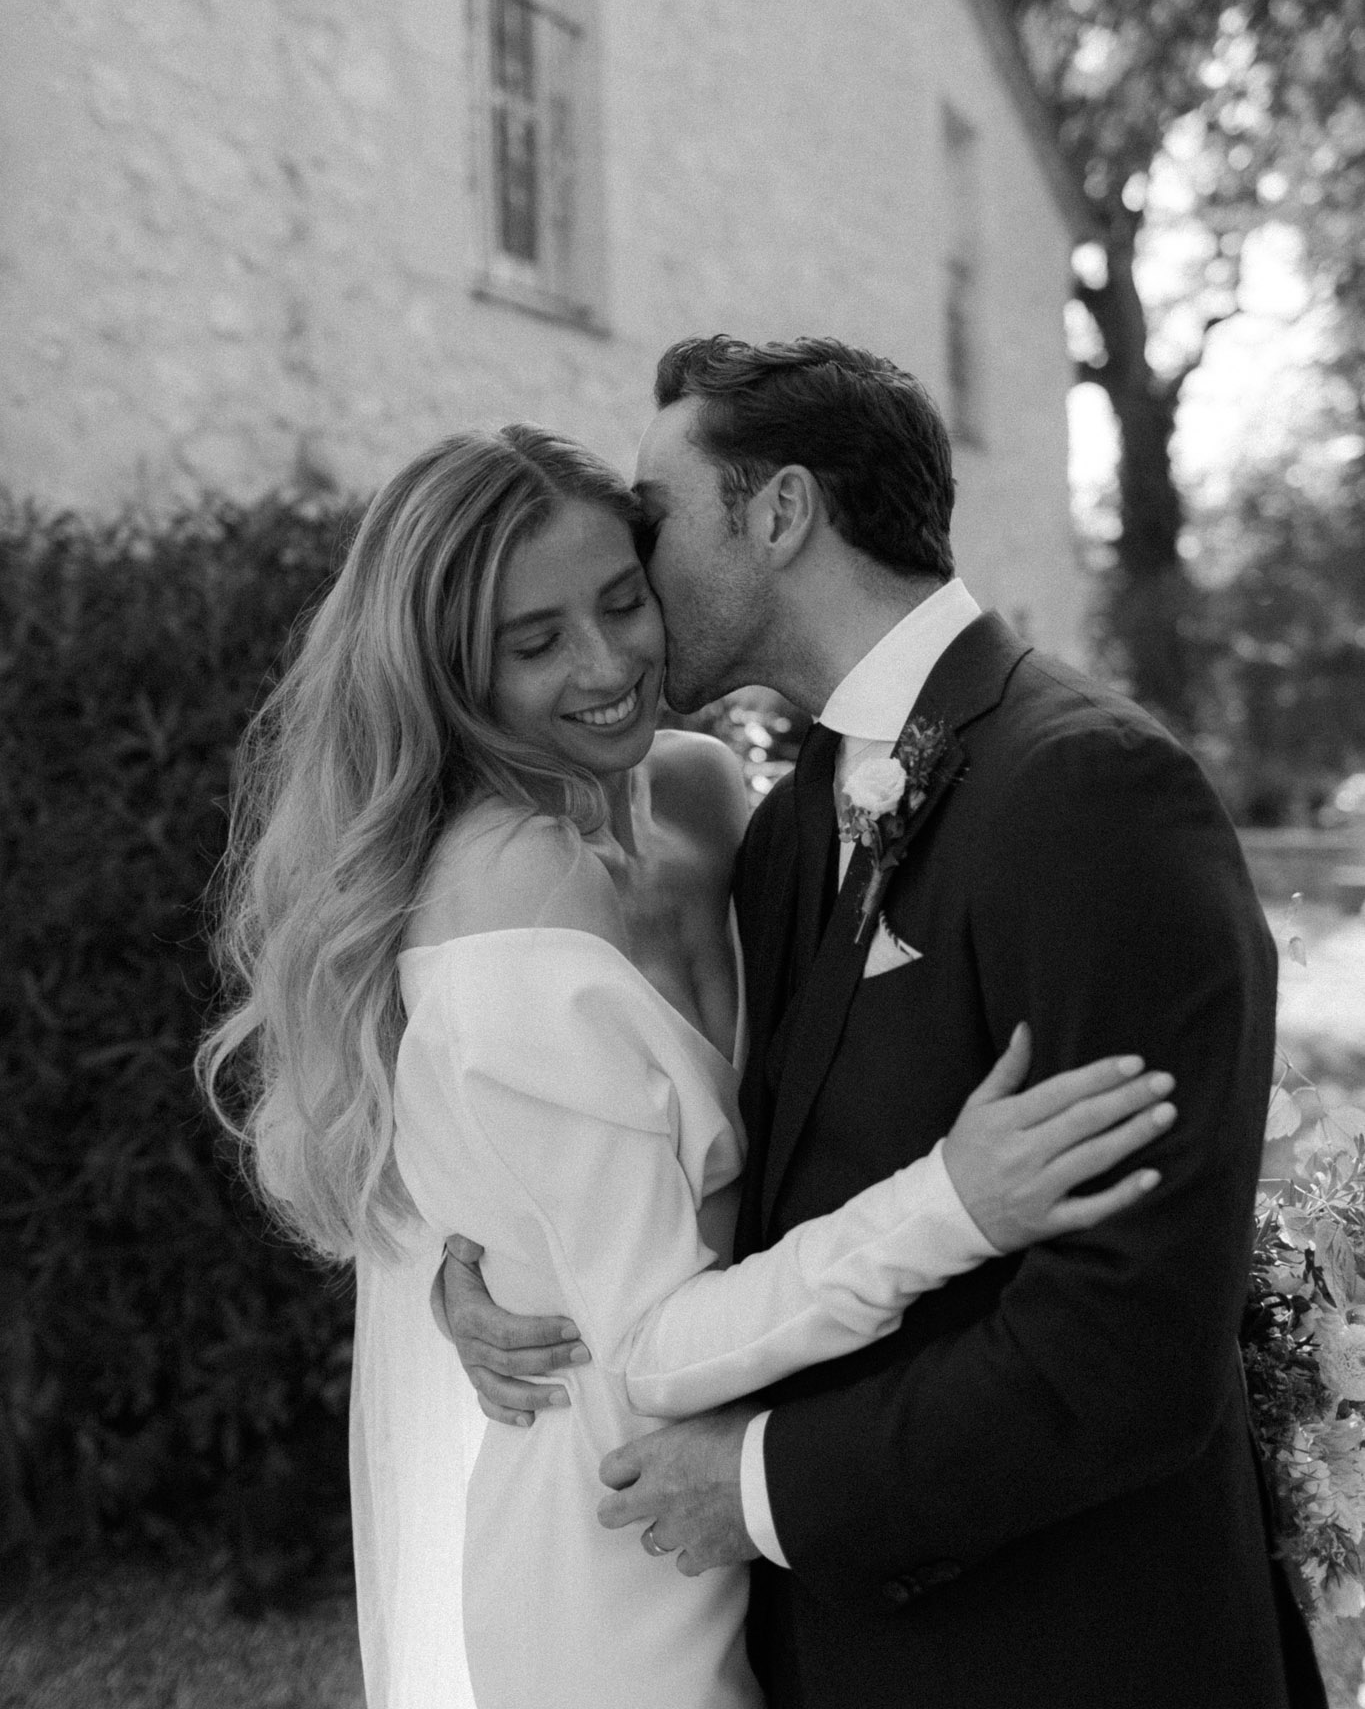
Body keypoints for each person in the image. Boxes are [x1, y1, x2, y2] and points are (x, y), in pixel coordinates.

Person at [197, 424, 1172, 1709]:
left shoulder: (707, 791)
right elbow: (635, 1317)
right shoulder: (503, 888)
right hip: (620, 1530)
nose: (607, 667)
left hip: (788, 1481)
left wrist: (491, 1244)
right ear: (443, 671)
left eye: (620, 601)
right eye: (533, 642)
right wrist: (957, 1200)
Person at [440, 337, 1328, 1709]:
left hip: (1071, 1650)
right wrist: (492, 1266)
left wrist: (759, 1485)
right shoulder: (787, 822)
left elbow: (1132, 1344)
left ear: (780, 513)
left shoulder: (1090, 790)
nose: (632, 560)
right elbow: (722, 1168)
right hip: (847, 1654)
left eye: (659, 519)